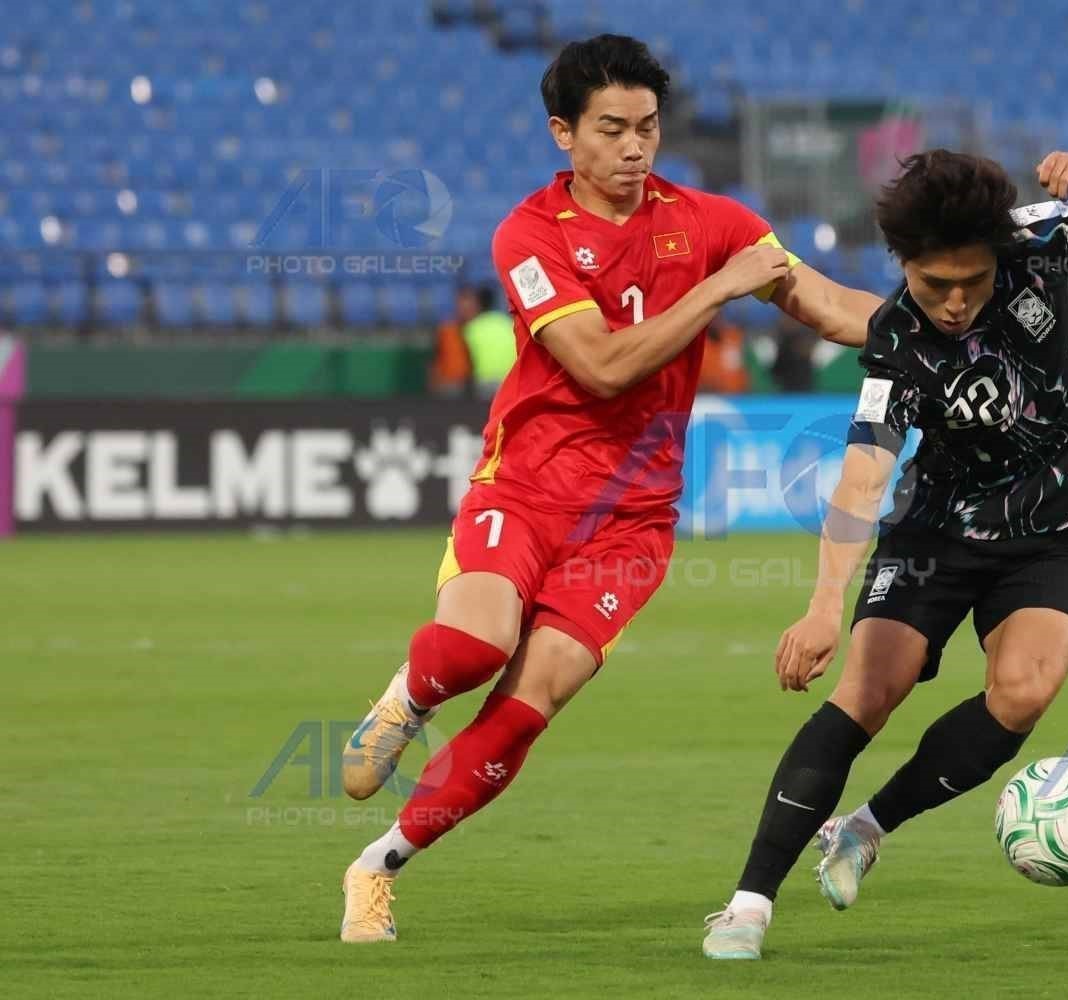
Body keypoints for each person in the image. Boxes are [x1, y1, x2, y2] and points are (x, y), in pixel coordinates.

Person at [336, 33, 884, 943]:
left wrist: (942, 325)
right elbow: (600, 367)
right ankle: (409, 699)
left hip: (632, 520)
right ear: (564, 133)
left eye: (648, 127)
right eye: (612, 129)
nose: (635, 148)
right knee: (475, 648)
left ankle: (375, 867)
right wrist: (719, 290)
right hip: (528, 485)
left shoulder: (711, 222)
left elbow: (829, 305)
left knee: (529, 706)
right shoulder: (529, 235)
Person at [702, 149, 1068, 959]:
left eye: (973, 281)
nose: (957, 301)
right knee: (868, 692)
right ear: (903, 265)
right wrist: (823, 606)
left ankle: (867, 829)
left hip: (1051, 527)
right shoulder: (896, 340)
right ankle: (747, 907)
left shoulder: (1041, 239)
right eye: (936, 285)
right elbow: (863, 476)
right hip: (935, 532)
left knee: (1024, 693)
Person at [461, 285, 517, 396]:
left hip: (484, 382)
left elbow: (466, 361)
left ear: (478, 304)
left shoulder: (472, 328)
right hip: (509, 380)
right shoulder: (508, 323)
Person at [428, 285, 478, 397]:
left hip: (476, 386)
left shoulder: (481, 328)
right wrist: (434, 382)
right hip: (450, 385)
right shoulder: (446, 330)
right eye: (463, 305)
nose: (466, 309)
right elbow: (434, 358)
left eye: (470, 306)